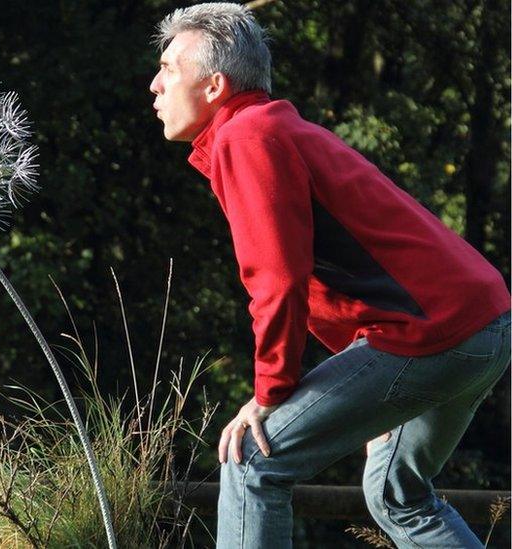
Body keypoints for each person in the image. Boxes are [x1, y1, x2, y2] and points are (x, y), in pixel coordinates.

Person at [148, 3, 511, 548]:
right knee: (397, 494)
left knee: (250, 461)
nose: (154, 85)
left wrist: (269, 392)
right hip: (484, 325)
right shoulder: (270, 129)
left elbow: (277, 280)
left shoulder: (249, 138)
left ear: (215, 85)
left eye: (169, 68)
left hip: (434, 335)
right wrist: (377, 398)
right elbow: (345, 279)